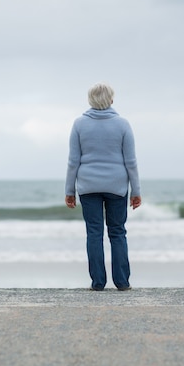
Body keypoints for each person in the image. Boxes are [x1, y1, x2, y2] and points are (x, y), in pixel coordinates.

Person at [65, 83, 142, 291]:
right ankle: (122, 282)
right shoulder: (122, 124)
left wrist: (69, 190)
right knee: (117, 232)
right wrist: (136, 191)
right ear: (111, 100)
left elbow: (73, 161)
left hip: (88, 186)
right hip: (117, 186)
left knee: (94, 233)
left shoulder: (79, 124)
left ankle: (98, 283)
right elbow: (131, 162)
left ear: (90, 100)